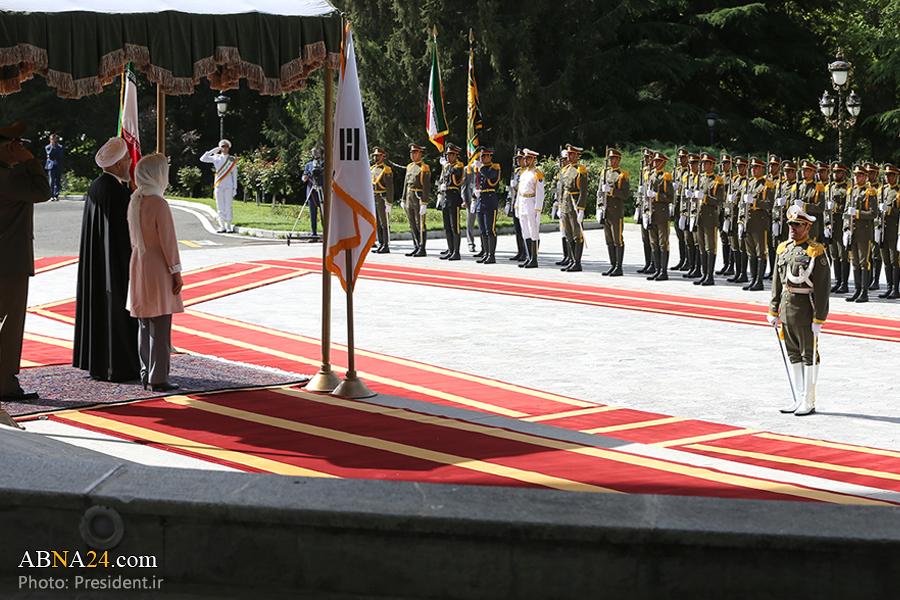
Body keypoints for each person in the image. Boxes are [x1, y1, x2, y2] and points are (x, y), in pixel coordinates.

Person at [72, 137, 141, 382]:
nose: (130, 164)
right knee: (116, 312)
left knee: (100, 309)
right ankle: (121, 365)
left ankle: (99, 363)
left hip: (98, 263)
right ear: (120, 165)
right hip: (115, 263)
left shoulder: (97, 186)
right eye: (127, 160)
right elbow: (124, 234)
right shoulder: (115, 191)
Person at [0, 121, 52, 430]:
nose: (22, 146)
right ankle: (5, 383)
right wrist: (31, 160)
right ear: (9, 147)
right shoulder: (8, 177)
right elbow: (42, 191)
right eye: (18, 143)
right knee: (9, 323)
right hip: (9, 260)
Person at [127, 154, 185, 392]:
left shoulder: (135, 201)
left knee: (144, 323)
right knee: (160, 325)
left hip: (139, 261)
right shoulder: (159, 203)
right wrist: (176, 271)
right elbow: (168, 241)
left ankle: (145, 372)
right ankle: (158, 377)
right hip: (158, 264)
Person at [767, 205, 830, 416]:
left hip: (805, 311)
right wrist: (773, 310)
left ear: (807, 227)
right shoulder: (783, 248)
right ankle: (798, 396)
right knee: (793, 354)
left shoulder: (815, 251)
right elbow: (778, 282)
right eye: (791, 224)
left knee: (809, 355)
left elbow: (822, 288)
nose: (793, 228)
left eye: (797, 225)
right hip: (787, 311)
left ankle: (809, 400)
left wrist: (819, 318)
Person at [843, 164, 878, 303]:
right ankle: (857, 290)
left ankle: (864, 291)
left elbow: (873, 213)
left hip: (864, 233)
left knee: (864, 262)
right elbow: (846, 211)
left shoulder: (870, 192)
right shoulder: (851, 191)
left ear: (865, 177)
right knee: (855, 261)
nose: (857, 178)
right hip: (853, 232)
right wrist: (846, 228)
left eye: (860, 175)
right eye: (856, 175)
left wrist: (857, 213)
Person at [740, 157, 775, 291]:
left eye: (756, 168)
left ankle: (759, 281)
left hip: (760, 223)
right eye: (752, 168)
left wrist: (754, 202)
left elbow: (769, 204)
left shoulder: (768, 184)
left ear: (762, 169)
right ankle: (753, 279)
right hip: (749, 223)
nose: (753, 170)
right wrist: (740, 221)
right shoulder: (748, 183)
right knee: (751, 252)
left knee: (761, 253)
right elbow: (742, 204)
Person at [692, 152, 724, 286]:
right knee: (702, 246)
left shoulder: (718, 180)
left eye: (706, 163)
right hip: (699, 216)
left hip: (711, 217)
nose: (703, 165)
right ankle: (704, 273)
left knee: (710, 247)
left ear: (712, 165)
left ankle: (710, 276)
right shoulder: (699, 179)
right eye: (702, 163)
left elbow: (719, 200)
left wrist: (705, 198)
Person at [598, 148, 629, 277]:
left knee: (617, 239)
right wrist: (599, 207)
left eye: (613, 158)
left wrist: (611, 191)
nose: (611, 161)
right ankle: (612, 265)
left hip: (616, 211)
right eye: (610, 158)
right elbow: (599, 192)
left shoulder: (623, 175)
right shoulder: (604, 173)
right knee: (609, 240)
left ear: (618, 160)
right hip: (606, 211)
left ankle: (619, 267)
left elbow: (625, 194)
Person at [558, 144, 588, 272]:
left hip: (575, 203)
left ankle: (578, 262)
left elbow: (583, 191)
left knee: (577, 234)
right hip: (566, 203)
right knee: (568, 234)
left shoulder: (581, 170)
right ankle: (571, 260)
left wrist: (581, 208)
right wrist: (559, 205)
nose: (569, 156)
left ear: (576, 156)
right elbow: (561, 189)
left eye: (571, 154)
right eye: (568, 154)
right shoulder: (566, 170)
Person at [645, 151, 674, 281]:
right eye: (654, 161)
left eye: (657, 161)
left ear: (663, 163)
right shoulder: (649, 175)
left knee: (663, 243)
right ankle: (657, 270)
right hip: (652, 214)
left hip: (662, 214)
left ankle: (663, 271)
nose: (655, 163)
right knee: (653, 242)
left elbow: (670, 197)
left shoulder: (666, 176)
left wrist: (656, 195)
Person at [199, 139, 237, 233]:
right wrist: (213, 151)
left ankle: (228, 225)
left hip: (228, 184)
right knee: (220, 206)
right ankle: (222, 226)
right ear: (221, 148)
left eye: (226, 147)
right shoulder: (216, 158)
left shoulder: (232, 159)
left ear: (228, 148)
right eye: (223, 147)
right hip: (219, 184)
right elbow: (202, 159)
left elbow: (235, 175)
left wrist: (235, 188)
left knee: (228, 206)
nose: (224, 149)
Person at [516, 149, 544, 268]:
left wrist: (538, 210)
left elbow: (540, 193)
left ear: (533, 160)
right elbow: (519, 191)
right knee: (525, 232)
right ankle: (528, 256)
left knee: (533, 232)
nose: (526, 160)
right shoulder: (523, 173)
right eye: (525, 158)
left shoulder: (537, 174)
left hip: (531, 203)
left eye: (528, 158)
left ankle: (534, 258)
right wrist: (516, 206)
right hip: (522, 202)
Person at [401, 144, 431, 257]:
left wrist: (424, 202)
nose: (412, 155)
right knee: (412, 223)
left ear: (420, 154)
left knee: (420, 223)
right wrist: (403, 198)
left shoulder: (424, 168)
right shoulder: (409, 166)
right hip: (409, 196)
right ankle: (416, 246)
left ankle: (422, 248)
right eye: (411, 153)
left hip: (418, 197)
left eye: (414, 153)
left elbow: (426, 187)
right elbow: (405, 184)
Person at [474, 148, 501, 264]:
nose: (482, 158)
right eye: (481, 156)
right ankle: (485, 253)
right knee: (482, 229)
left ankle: (492, 255)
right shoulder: (480, 169)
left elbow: (490, 176)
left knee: (490, 229)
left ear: (490, 157)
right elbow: (476, 183)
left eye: (484, 156)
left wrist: (480, 167)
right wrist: (474, 196)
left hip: (490, 200)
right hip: (481, 200)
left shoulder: (495, 167)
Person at [438, 143, 465, 261]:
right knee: (447, 226)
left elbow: (456, 173)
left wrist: (447, 166)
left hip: (454, 198)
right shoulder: (446, 166)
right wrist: (440, 193)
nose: (448, 157)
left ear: (455, 155)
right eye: (447, 155)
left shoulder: (459, 165)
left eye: (450, 155)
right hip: (445, 197)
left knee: (455, 227)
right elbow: (441, 180)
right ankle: (450, 249)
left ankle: (456, 252)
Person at [877, 164, 900, 299]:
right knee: (885, 259)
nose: (887, 177)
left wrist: (889, 210)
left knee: (894, 260)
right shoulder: (882, 190)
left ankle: (896, 289)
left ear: (896, 176)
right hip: (883, 231)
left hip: (893, 231)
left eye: (890, 175)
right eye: (886, 175)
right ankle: (889, 287)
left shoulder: (898, 191)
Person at [370, 147, 393, 253]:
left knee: (384, 222)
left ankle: (386, 245)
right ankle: (381, 243)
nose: (375, 157)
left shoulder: (386, 169)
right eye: (375, 156)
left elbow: (389, 187)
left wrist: (389, 202)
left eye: (378, 156)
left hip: (382, 198)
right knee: (378, 222)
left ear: (382, 157)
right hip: (374, 197)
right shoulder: (372, 169)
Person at [302, 147, 325, 238]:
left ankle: (326, 232)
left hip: (322, 191)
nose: (316, 155)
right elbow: (304, 174)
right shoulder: (309, 165)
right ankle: (313, 232)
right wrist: (305, 178)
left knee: (323, 212)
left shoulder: (326, 164)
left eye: (318, 153)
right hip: (312, 191)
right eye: (314, 154)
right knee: (313, 213)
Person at [44, 133, 64, 201]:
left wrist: (51, 156)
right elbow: (49, 154)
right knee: (52, 180)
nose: (54, 140)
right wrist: (52, 148)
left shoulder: (60, 147)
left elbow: (60, 155)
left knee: (57, 180)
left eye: (55, 139)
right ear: (50, 139)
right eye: (52, 139)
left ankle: (56, 195)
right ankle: (51, 195)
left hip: (58, 165)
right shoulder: (48, 147)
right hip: (51, 166)